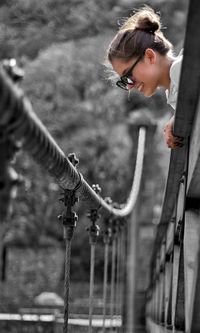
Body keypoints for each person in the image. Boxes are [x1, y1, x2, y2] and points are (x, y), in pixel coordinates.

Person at [106, 6, 184, 149]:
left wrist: (179, 118)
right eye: (124, 82)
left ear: (149, 57)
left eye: (128, 75)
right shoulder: (174, 90)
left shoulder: (181, 68)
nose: (130, 86)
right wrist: (177, 119)